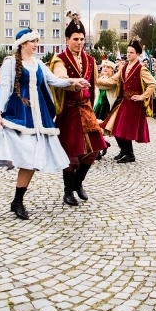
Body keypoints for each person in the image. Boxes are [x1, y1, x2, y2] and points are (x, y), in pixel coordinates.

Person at [0, 28, 88, 220]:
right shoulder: (10, 63)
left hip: (38, 118)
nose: (36, 44)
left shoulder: (38, 63)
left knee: (32, 162)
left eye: (37, 41)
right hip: (20, 115)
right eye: (32, 41)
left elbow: (55, 81)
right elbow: (4, 89)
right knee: (28, 160)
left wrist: (75, 82)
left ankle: (17, 201)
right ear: (22, 44)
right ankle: (17, 202)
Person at [49, 13, 109, 204]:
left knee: (94, 149)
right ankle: (68, 191)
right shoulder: (59, 59)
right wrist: (73, 82)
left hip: (85, 109)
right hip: (68, 110)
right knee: (71, 154)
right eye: (76, 39)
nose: (80, 42)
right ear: (67, 39)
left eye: (82, 39)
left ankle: (78, 183)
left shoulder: (91, 60)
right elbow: (60, 78)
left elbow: (94, 84)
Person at [98, 37, 156, 163]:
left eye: (131, 52)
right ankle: (124, 151)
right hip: (123, 101)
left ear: (137, 54)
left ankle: (130, 154)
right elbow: (113, 80)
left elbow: (153, 83)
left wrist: (142, 96)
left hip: (134, 103)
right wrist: (95, 81)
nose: (129, 54)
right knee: (113, 126)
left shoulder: (141, 68)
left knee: (122, 128)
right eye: (128, 52)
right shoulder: (124, 68)